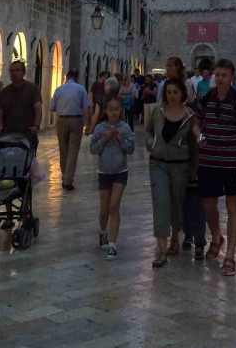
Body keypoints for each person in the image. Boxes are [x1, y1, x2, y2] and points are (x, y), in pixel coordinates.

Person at [193, 58, 236, 277]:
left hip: (231, 161)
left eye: (224, 75)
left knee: (233, 206)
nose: (219, 79)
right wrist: (199, 136)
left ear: (232, 77)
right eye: (217, 75)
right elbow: (196, 123)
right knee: (208, 205)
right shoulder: (206, 98)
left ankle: (230, 256)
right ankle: (216, 235)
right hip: (209, 161)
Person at [145, 77, 196, 267]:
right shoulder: (157, 112)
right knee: (160, 203)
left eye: (175, 92)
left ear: (182, 93)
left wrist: (195, 167)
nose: (172, 96)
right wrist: (152, 145)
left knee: (177, 203)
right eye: (168, 92)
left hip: (180, 165)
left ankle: (175, 237)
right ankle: (162, 250)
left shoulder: (190, 115)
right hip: (157, 164)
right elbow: (148, 132)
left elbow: (195, 140)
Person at [89, 93, 135, 260]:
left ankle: (113, 244)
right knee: (105, 209)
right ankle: (102, 231)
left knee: (114, 207)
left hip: (120, 172)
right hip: (104, 172)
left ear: (121, 110)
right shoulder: (100, 128)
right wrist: (104, 140)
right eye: (111, 110)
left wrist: (122, 140)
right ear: (106, 111)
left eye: (117, 109)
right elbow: (93, 150)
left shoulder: (126, 128)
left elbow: (131, 150)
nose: (114, 112)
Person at [50, 68, 92, 191]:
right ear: (76, 77)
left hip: (62, 120)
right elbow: (86, 107)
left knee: (63, 150)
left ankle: (64, 177)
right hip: (76, 120)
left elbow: (52, 107)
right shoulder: (80, 89)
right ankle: (68, 180)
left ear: (66, 77)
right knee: (73, 151)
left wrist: (63, 107)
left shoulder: (59, 89)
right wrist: (88, 124)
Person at [0, 61, 42, 147]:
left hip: (27, 132)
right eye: (12, 71)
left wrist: (36, 126)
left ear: (23, 72)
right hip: (8, 133)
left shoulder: (33, 89)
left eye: (17, 70)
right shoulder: (4, 92)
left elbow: (38, 108)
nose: (14, 73)